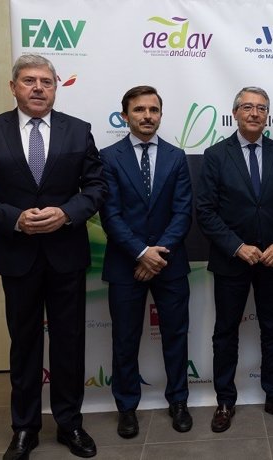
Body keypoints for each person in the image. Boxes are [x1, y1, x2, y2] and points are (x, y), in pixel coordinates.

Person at [0, 54, 106, 459]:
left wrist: (67, 213)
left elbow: (96, 188)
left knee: (69, 343)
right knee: (24, 345)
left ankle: (70, 425)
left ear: (57, 86)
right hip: (16, 254)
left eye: (46, 81)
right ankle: (24, 428)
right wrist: (15, 219)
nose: (38, 88)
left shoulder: (79, 131)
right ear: (13, 87)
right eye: (29, 81)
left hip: (66, 255)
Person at [196, 86, 273, 432]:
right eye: (247, 107)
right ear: (235, 113)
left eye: (261, 108)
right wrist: (237, 246)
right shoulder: (215, 155)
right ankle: (225, 401)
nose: (255, 113)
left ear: (267, 115)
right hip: (232, 260)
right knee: (225, 331)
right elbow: (206, 211)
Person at [99, 86, 193, 437]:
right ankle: (126, 407)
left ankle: (179, 402)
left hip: (170, 264)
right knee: (125, 339)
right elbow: (110, 215)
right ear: (126, 115)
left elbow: (183, 212)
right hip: (126, 264)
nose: (147, 115)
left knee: (176, 336)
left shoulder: (176, 156)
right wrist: (141, 253)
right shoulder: (108, 158)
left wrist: (157, 255)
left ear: (160, 114)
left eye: (154, 109)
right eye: (139, 109)